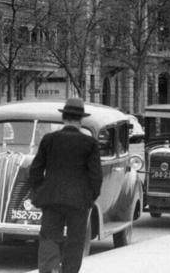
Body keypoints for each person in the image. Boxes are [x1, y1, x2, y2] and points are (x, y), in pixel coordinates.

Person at [29, 97, 102, 273]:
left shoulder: (49, 139)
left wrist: (39, 192)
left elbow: (35, 170)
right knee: (75, 240)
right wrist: (90, 197)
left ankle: (50, 269)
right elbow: (96, 176)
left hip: (52, 198)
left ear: (64, 118)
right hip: (78, 201)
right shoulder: (90, 143)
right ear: (81, 120)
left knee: (49, 238)